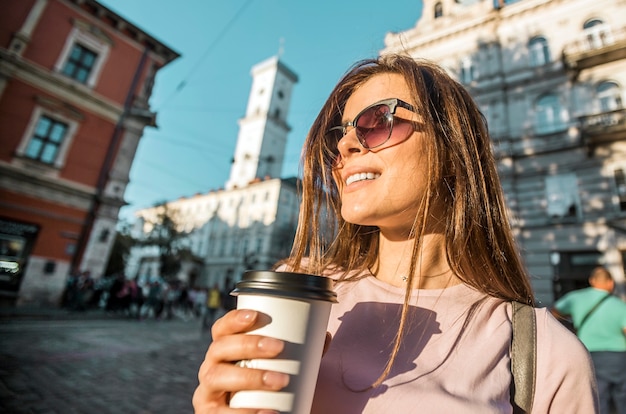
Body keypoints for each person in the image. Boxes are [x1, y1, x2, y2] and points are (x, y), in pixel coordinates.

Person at [192, 54, 598, 413]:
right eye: (340, 133)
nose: (346, 146)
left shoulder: (545, 352)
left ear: (453, 149)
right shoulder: (299, 289)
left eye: (378, 121)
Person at [552, 266, 626, 414]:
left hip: (587, 353)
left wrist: (570, 328)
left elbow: (553, 312)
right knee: (622, 395)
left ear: (592, 281)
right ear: (610, 283)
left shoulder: (575, 298)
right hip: (618, 356)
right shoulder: (620, 305)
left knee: (598, 395)